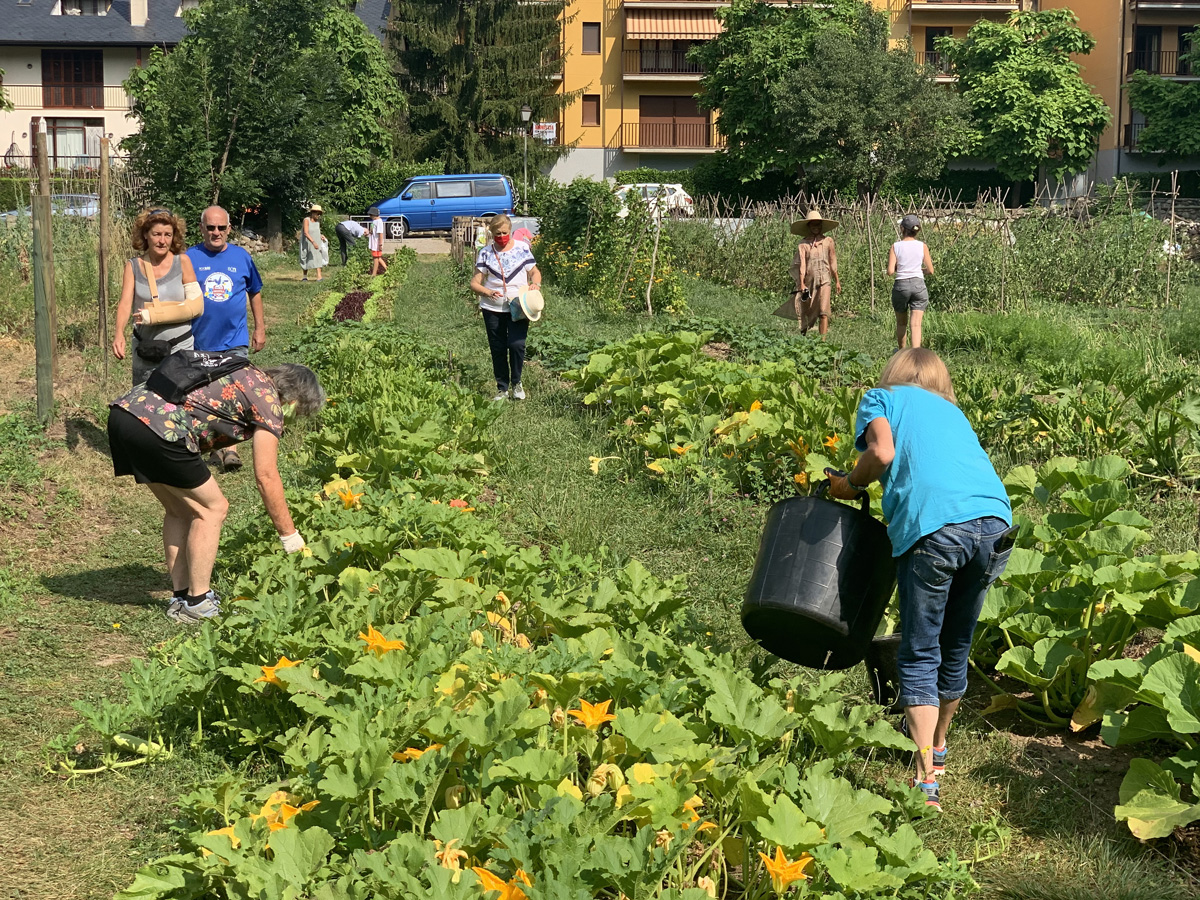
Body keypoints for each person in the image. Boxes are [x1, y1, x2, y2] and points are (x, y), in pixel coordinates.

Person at [825, 348, 1013, 812]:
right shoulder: (953, 412)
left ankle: (925, 780)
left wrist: (851, 483)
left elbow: (882, 453)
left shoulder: (880, 398)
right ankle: (940, 748)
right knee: (956, 644)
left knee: (920, 648)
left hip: (935, 528)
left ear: (892, 375)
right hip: (995, 524)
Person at [107, 362, 325, 624]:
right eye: (299, 412)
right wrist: (290, 536)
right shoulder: (269, 400)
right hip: (160, 427)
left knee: (180, 510)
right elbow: (266, 476)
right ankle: (198, 603)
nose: (291, 418)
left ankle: (181, 597)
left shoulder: (245, 374)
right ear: (293, 398)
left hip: (125, 415)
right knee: (213, 508)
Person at [186, 205, 266, 471]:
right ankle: (210, 447)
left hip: (235, 340)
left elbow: (254, 292)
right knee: (204, 397)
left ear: (229, 228)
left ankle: (230, 450)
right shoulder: (189, 258)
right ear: (201, 229)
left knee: (234, 395)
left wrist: (259, 328)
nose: (216, 232)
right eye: (210, 228)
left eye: (221, 227)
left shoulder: (241, 257)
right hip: (199, 341)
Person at [112, 207, 203, 386]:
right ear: (146, 235)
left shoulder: (183, 262)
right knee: (144, 403)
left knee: (178, 404)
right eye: (157, 234)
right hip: (146, 348)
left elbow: (197, 305)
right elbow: (125, 303)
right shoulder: (133, 266)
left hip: (180, 347)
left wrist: (154, 315)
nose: (162, 241)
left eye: (168, 235)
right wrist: (118, 334)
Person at [469, 214, 541, 402]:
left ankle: (517, 383)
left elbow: (534, 271)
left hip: (519, 305)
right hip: (492, 308)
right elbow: (475, 282)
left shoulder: (522, 248)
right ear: (491, 234)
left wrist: (535, 284)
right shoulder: (485, 253)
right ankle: (502, 388)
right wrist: (486, 292)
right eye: (497, 233)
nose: (501, 236)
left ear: (510, 231)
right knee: (498, 348)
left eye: (505, 233)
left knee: (517, 345)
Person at [788, 209, 842, 338]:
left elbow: (832, 262)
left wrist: (837, 281)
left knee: (823, 312)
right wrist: (801, 283)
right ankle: (803, 336)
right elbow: (802, 265)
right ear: (809, 226)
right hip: (809, 280)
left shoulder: (828, 241)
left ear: (821, 226)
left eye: (818, 225)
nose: (816, 227)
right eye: (813, 225)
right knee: (807, 309)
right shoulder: (803, 244)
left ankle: (822, 342)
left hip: (825, 280)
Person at [888, 214, 935, 350]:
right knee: (916, 325)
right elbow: (930, 270)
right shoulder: (922, 246)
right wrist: (920, 270)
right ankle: (915, 355)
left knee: (902, 323)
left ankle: (902, 354)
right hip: (918, 285)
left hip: (901, 286)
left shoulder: (896, 246)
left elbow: (890, 271)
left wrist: (899, 267)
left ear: (902, 228)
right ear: (917, 230)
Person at [299, 204, 329, 281]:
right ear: (312, 213)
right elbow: (306, 232)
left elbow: (317, 232)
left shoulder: (317, 222)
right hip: (307, 242)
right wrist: (313, 242)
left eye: (320, 214)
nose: (318, 215)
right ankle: (305, 277)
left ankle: (319, 277)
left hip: (316, 243)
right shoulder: (306, 220)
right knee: (305, 257)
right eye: (317, 213)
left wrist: (321, 236)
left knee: (318, 257)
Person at [368, 207, 388, 276]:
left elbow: (380, 233)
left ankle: (374, 274)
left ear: (374, 214)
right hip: (373, 243)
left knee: (375, 258)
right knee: (378, 257)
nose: (370, 216)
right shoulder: (374, 221)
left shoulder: (379, 222)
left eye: (371, 215)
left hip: (376, 243)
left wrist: (380, 244)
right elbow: (372, 230)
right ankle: (387, 269)